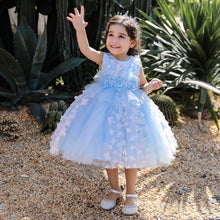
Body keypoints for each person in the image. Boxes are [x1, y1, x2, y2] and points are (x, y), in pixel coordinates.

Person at [50, 6, 177, 216]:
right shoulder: (104, 58)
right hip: (105, 113)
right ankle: (113, 189)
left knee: (130, 155)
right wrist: (80, 30)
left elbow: (140, 89)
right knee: (108, 151)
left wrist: (151, 87)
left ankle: (131, 194)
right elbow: (86, 50)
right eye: (111, 35)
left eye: (121, 36)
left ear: (132, 42)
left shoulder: (136, 63)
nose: (114, 41)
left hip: (131, 115)